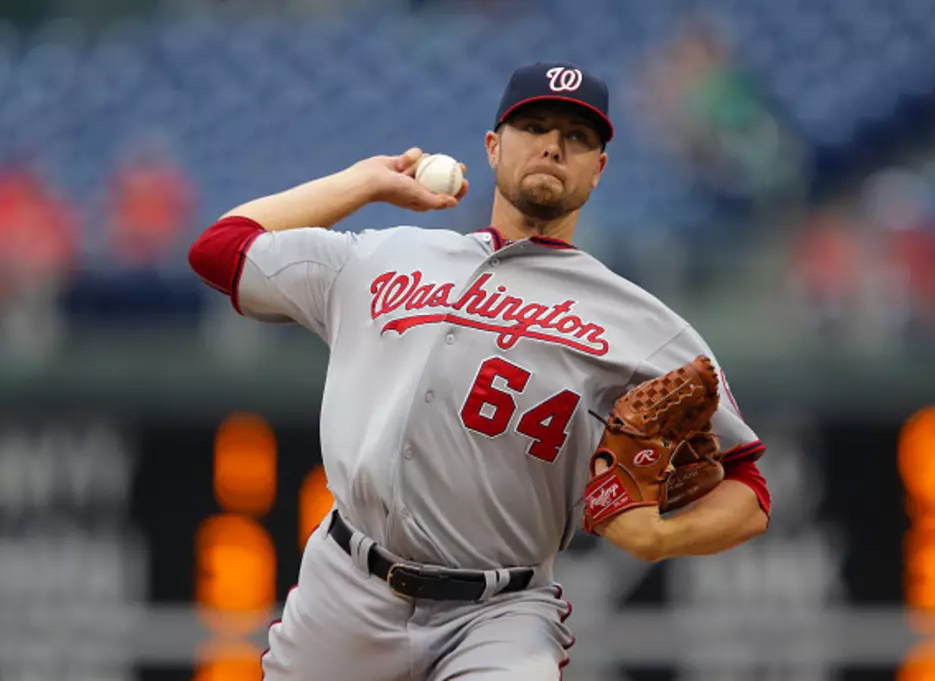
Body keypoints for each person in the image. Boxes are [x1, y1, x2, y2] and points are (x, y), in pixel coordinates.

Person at [188, 61, 771, 681]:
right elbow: (221, 250)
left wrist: (660, 539)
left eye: (577, 137)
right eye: (535, 126)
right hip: (347, 587)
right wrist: (362, 183)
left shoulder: (643, 325)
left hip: (500, 614)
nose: (553, 144)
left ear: (598, 170)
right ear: (493, 148)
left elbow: (750, 489)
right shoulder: (384, 254)